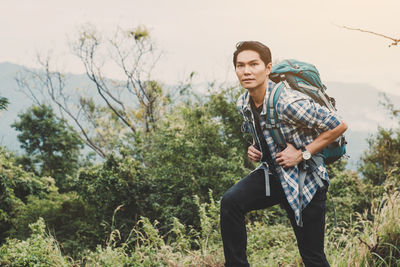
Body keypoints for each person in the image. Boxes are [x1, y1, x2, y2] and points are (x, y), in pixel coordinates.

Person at [220, 41, 348, 267]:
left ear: (268, 68)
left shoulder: (288, 102)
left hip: (306, 180)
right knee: (231, 202)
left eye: (253, 64)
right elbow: (263, 130)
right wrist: (255, 147)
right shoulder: (244, 102)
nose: (246, 71)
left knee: (312, 256)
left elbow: (338, 126)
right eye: (240, 66)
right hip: (273, 174)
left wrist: (302, 154)